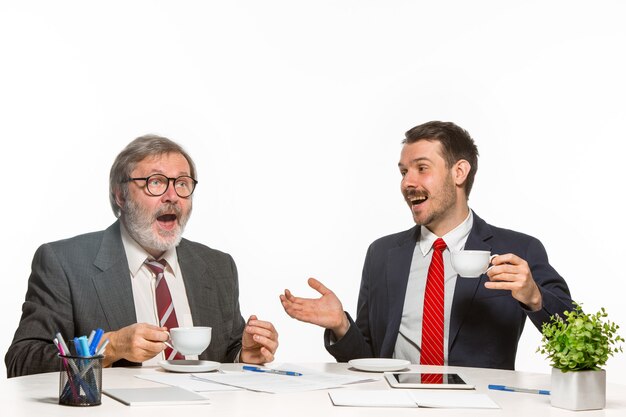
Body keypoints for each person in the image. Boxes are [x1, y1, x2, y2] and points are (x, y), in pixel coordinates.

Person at [280, 121, 573, 370]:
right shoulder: (381, 254)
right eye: (403, 171)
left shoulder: (518, 249)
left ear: (459, 172)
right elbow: (369, 361)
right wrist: (341, 326)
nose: (408, 182)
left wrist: (535, 298)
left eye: (421, 168)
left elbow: (578, 339)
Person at [6, 134, 279, 377]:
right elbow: (21, 361)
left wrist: (244, 355)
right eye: (156, 182)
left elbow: (224, 356)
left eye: (182, 184)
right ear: (121, 196)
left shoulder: (219, 267)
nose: (172, 195)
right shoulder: (63, 263)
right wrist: (109, 348)